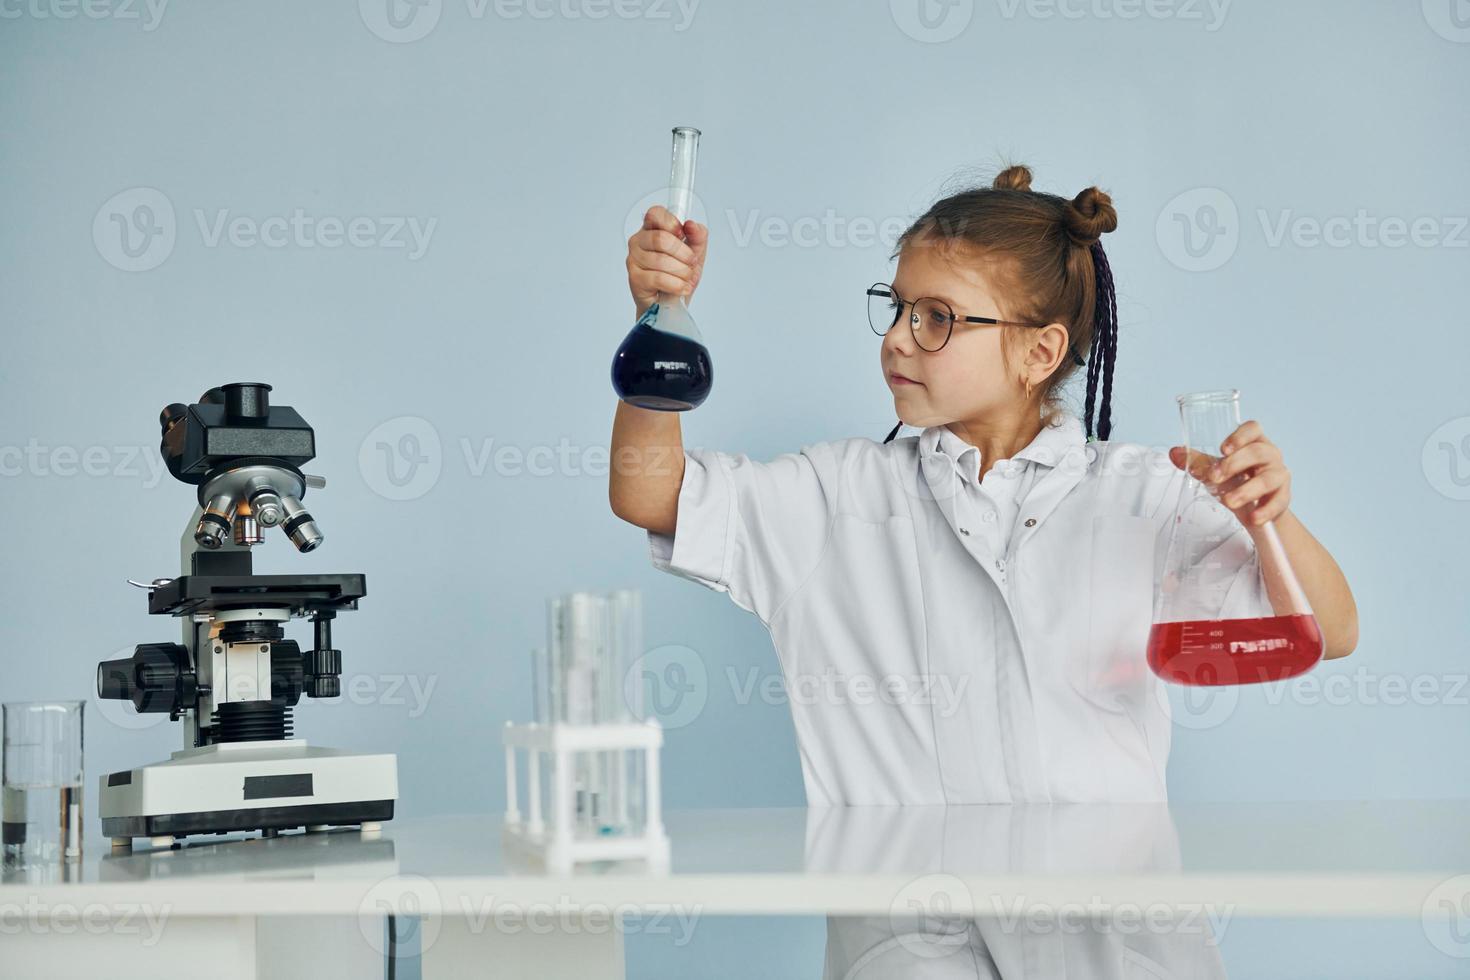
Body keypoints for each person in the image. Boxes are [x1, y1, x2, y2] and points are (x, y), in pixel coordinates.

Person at [609, 164, 1359, 977]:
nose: (898, 336)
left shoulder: (1145, 496)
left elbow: (1328, 632)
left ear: (1040, 351)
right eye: (895, 308)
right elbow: (650, 493)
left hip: (1114, 942)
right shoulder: (835, 498)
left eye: (937, 318)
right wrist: (659, 324)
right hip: (910, 946)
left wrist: (1271, 522)